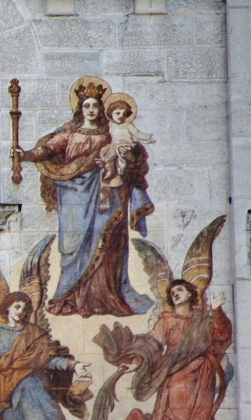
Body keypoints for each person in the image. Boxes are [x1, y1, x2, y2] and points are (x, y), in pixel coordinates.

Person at [14, 78, 153, 318]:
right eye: (87, 105)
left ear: (102, 110)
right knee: (73, 244)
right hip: (74, 197)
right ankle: (70, 297)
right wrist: (25, 154)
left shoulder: (112, 133)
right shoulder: (69, 134)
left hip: (107, 198)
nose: (91, 109)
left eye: (95, 106)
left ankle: (105, 297)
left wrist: (128, 157)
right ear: (80, 109)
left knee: (108, 244)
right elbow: (47, 150)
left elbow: (129, 155)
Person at [101, 281, 231, 420]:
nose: (175, 294)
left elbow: (223, 337)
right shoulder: (167, 320)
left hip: (202, 378)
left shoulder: (203, 320)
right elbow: (152, 344)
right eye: (172, 292)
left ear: (190, 293)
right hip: (177, 377)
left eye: (179, 290)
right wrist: (135, 362)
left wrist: (217, 311)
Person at [100, 93, 155, 189]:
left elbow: (137, 133)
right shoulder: (110, 125)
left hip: (126, 145)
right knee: (107, 153)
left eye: (124, 114)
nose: (121, 116)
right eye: (118, 113)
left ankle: (121, 170)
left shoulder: (128, 125)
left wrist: (147, 137)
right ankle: (110, 171)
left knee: (120, 152)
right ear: (111, 113)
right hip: (115, 145)